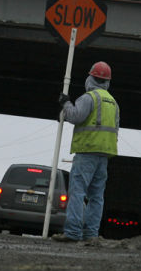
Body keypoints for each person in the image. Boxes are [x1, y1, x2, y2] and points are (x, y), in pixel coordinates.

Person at [51, 61, 119, 243]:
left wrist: (66, 103)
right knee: (97, 196)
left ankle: (73, 232)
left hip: (87, 151)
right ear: (107, 82)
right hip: (104, 155)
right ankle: (91, 235)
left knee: (77, 192)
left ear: (91, 78)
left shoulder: (89, 97)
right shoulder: (113, 103)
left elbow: (74, 116)